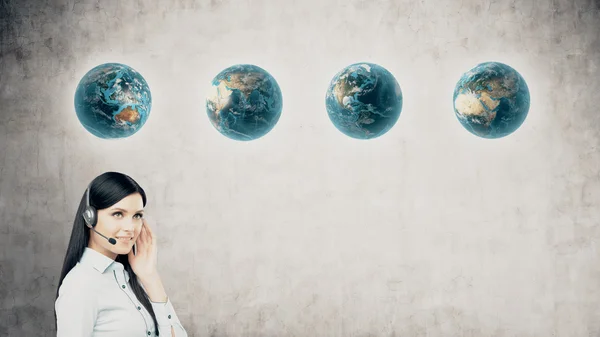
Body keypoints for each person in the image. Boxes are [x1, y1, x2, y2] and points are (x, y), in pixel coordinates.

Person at [54, 171, 188, 336]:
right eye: (118, 214)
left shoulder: (130, 277)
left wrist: (150, 277)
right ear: (90, 218)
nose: (130, 228)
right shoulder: (80, 284)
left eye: (137, 216)